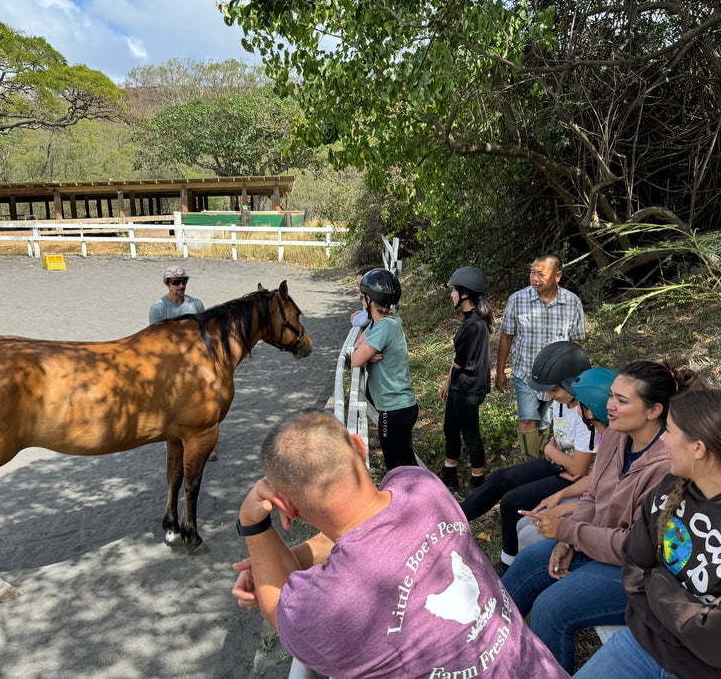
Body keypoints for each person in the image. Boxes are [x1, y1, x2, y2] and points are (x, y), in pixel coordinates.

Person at [231, 410, 570, 679]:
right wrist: (280, 561)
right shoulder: (418, 485)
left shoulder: (323, 607)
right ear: (359, 448)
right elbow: (366, 531)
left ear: (288, 507)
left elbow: (278, 606)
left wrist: (255, 525)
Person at [575, 390, 721, 678]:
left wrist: (658, 581)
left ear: (698, 448)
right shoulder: (671, 488)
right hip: (645, 643)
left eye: (670, 431)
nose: (662, 438)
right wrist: (693, 619)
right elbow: (634, 565)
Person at [502, 361, 703, 673]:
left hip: (640, 571)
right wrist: (568, 539)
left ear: (653, 411)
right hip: (597, 543)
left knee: (553, 608)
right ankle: (485, 645)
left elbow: (637, 547)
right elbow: (593, 495)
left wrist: (570, 532)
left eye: (622, 401)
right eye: (611, 396)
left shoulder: (668, 465)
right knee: (528, 562)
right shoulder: (615, 436)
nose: (609, 406)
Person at [459, 343, 597, 575]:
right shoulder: (562, 401)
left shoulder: (587, 414)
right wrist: (553, 451)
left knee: (513, 501)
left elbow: (579, 467)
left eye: (554, 390)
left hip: (572, 476)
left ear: (573, 383)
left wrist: (551, 451)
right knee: (501, 477)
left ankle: (508, 564)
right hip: (561, 463)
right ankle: (454, 518)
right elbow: (557, 437)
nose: (550, 396)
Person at [514, 368, 617, 553]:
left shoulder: (616, 443)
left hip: (602, 518)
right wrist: (559, 496)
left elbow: (609, 502)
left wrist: (564, 510)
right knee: (524, 524)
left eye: (580, 404)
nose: (576, 408)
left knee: (528, 534)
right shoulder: (605, 437)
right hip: (588, 501)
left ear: (592, 412)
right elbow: (594, 478)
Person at [496, 255, 585, 459]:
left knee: (546, 423)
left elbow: (576, 343)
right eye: (532, 273)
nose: (534, 278)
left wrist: (575, 380)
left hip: (557, 379)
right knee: (527, 420)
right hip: (525, 373)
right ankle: (531, 463)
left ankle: (543, 457)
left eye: (541, 274)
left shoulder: (572, 302)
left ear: (557, 276)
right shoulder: (517, 300)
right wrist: (500, 372)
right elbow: (506, 337)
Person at [351, 268, 418, 469]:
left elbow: (355, 360)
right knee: (408, 464)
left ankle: (406, 501)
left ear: (370, 300)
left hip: (393, 409)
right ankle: (423, 498)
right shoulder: (388, 321)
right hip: (403, 406)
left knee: (395, 468)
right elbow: (360, 349)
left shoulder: (383, 327)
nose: (362, 301)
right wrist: (363, 350)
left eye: (363, 297)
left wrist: (363, 352)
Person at [148, 265, 215, 460]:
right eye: (176, 282)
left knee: (204, 401)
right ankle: (173, 441)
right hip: (170, 362)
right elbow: (154, 341)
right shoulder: (158, 308)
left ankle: (204, 443)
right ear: (167, 284)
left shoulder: (196, 305)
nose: (181, 285)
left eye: (184, 281)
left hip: (195, 361)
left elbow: (205, 333)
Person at [437, 266, 493, 494]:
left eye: (453, 290)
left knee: (470, 434)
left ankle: (478, 479)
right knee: (450, 427)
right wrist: (448, 383)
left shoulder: (474, 324)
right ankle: (450, 471)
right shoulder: (469, 318)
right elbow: (457, 360)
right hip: (460, 384)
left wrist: (451, 380)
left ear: (465, 293)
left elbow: (458, 361)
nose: (451, 294)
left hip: (469, 388)